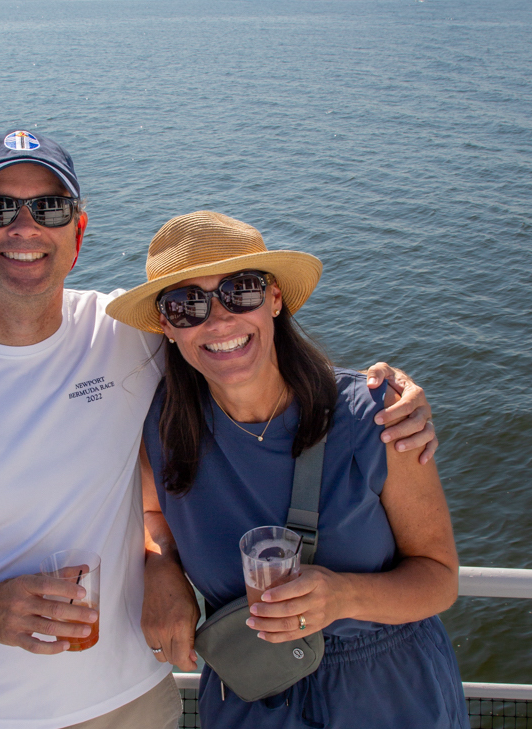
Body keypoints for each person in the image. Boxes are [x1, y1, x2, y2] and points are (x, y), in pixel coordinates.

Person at [0, 131, 438, 729]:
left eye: (49, 208)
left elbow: (242, 356)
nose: (24, 227)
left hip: (132, 704)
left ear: (76, 232)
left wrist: (384, 392)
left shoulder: (126, 337)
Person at [106, 211, 468, 729]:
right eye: (187, 304)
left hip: (388, 694)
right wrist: (161, 565)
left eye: (241, 290)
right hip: (252, 693)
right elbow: (150, 510)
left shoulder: (377, 418)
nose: (219, 319)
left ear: (275, 298)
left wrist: (344, 595)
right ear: (166, 324)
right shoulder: (162, 430)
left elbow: (440, 579)